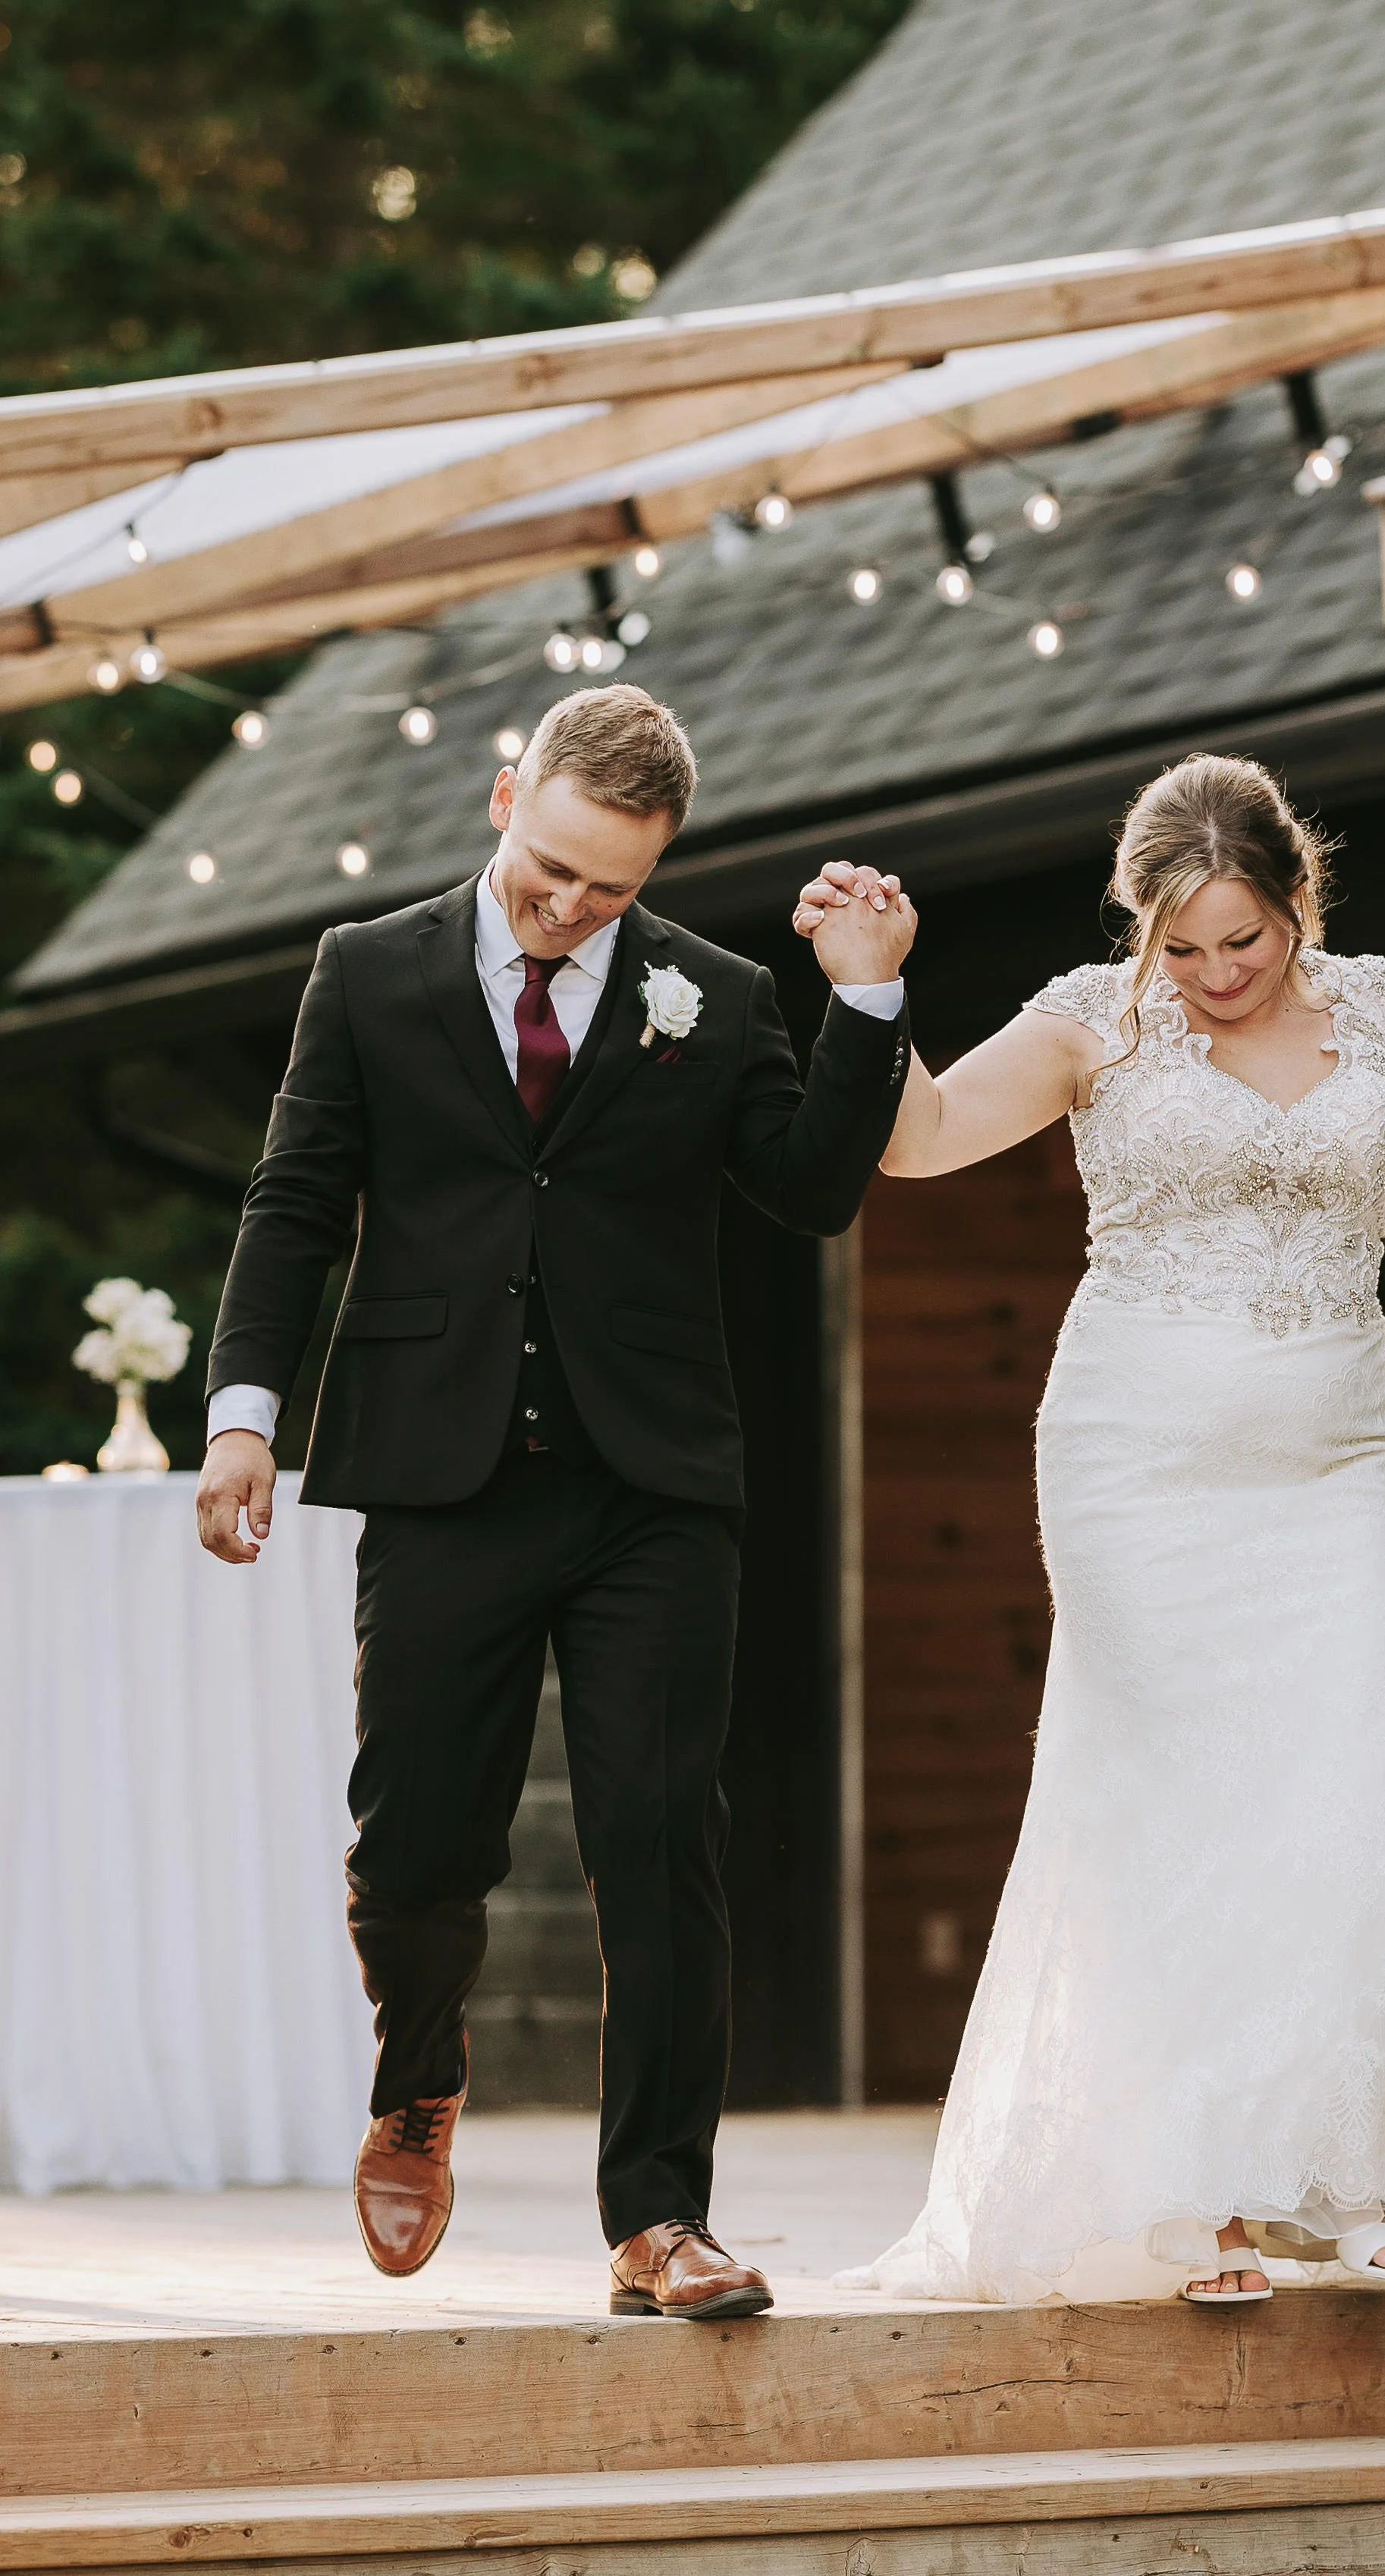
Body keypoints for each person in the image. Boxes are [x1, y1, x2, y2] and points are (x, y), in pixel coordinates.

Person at [803, 752, 1385, 2307]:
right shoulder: (1091, 1021)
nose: (1221, 975)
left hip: (1334, 1464)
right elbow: (929, 1135)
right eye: (1187, 947)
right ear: (1140, 928)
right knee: (1178, 1817)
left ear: (1301, 906)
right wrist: (872, 991)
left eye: (1249, 939)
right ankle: (1207, 2203)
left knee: (1364, 1796)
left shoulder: (1383, 1004)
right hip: (1134, 1468)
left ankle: (1347, 2175)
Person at [196, 683, 916, 2320]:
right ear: (507, 791)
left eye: (610, 884)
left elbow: (806, 1192)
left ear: (659, 861)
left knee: (664, 1840)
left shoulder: (714, 996)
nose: (570, 905)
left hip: (652, 1481)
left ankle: (661, 2214)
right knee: (415, 1843)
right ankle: (424, 2067)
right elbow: (298, 1196)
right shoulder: (365, 972)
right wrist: (248, 1416)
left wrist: (864, 1008)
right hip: (438, 1474)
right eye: (550, 865)